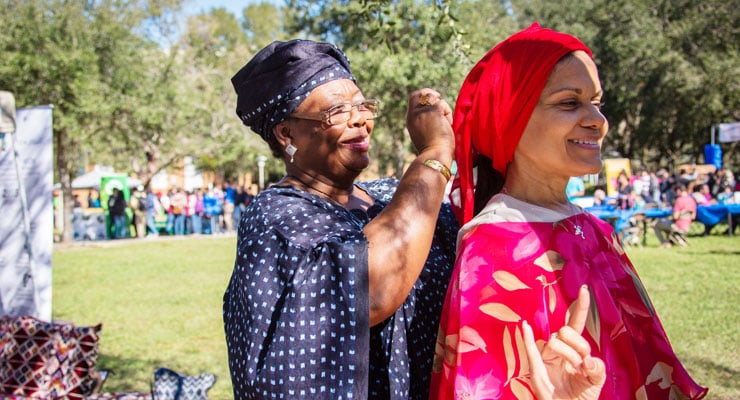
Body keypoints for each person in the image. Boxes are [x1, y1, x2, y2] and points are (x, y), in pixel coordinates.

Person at [430, 23, 707, 399]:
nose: (598, 120)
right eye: (569, 102)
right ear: (510, 119)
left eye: (597, 102)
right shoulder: (493, 249)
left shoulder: (595, 229)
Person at [223, 39, 458, 399]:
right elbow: (373, 289)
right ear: (287, 133)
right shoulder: (276, 216)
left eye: (362, 105)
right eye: (337, 111)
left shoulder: (388, 195)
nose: (360, 119)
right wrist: (435, 151)